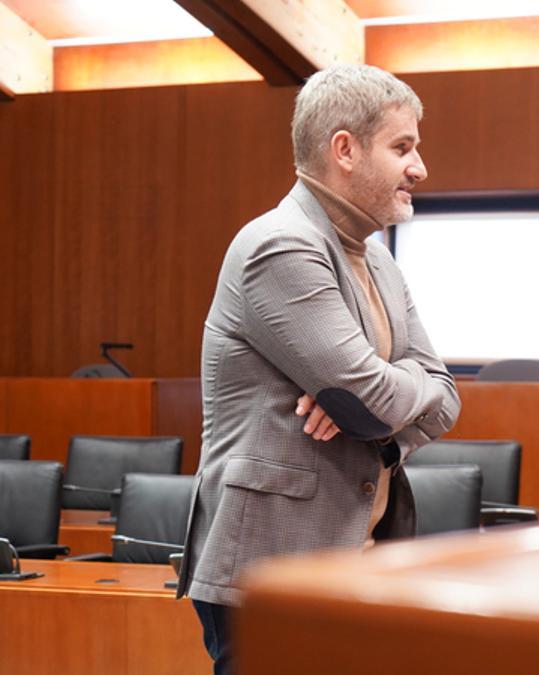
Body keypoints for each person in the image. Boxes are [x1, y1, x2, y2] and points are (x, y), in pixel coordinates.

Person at [177, 64, 461, 673]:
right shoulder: (281, 245)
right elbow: (371, 394)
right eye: (403, 147)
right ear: (345, 150)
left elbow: (444, 394)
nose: (420, 168)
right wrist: (379, 397)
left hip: (349, 563)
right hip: (272, 570)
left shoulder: (377, 258)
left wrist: (376, 415)